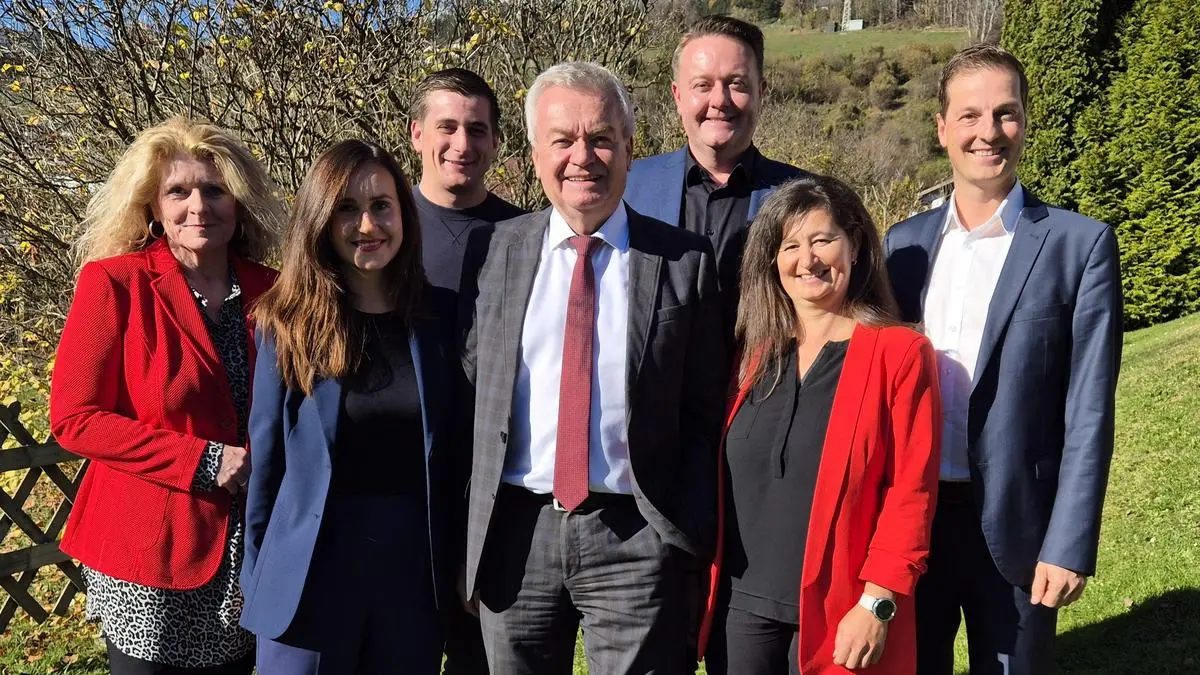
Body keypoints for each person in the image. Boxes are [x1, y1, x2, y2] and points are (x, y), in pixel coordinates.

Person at [458, 61, 727, 674]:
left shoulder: (684, 261)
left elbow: (705, 411)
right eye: (563, 140)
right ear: (533, 154)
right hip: (515, 534)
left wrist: (678, 532)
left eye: (601, 137)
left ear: (630, 148)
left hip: (636, 533)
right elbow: (469, 395)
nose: (583, 156)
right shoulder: (493, 251)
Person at [884, 44, 1123, 674]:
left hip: (1021, 530)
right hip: (916, 524)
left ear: (1024, 122)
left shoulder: (1081, 246)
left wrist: (1069, 543)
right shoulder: (902, 247)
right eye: (970, 116)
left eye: (1005, 114)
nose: (988, 132)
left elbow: (1089, 409)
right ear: (941, 128)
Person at [49, 117, 283, 674]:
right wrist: (203, 461)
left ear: (239, 201)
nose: (198, 206)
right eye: (178, 192)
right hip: (148, 555)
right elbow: (75, 418)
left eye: (215, 189)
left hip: (252, 548)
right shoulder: (115, 283)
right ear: (153, 207)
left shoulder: (273, 289)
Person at [700, 175, 941, 674]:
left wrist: (878, 601)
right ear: (772, 262)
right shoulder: (750, 357)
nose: (807, 259)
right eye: (790, 245)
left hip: (842, 615)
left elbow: (910, 493)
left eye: (822, 240)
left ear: (854, 245)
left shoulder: (900, 354)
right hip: (739, 612)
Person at [241, 140, 456, 675]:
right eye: (346, 208)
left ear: (403, 214)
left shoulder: (443, 319)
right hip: (309, 572)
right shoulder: (286, 324)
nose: (367, 224)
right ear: (320, 218)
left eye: (381, 205)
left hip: (412, 577)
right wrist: (259, 579)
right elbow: (266, 465)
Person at [624, 15, 806, 343]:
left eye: (736, 83)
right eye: (702, 85)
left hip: (764, 389)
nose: (719, 100)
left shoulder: (808, 197)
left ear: (761, 92)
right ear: (678, 95)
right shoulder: (627, 187)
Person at [409, 67, 526, 307]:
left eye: (476, 130)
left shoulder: (526, 237)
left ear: (495, 142)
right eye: (447, 127)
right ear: (417, 135)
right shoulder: (387, 229)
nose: (462, 145)